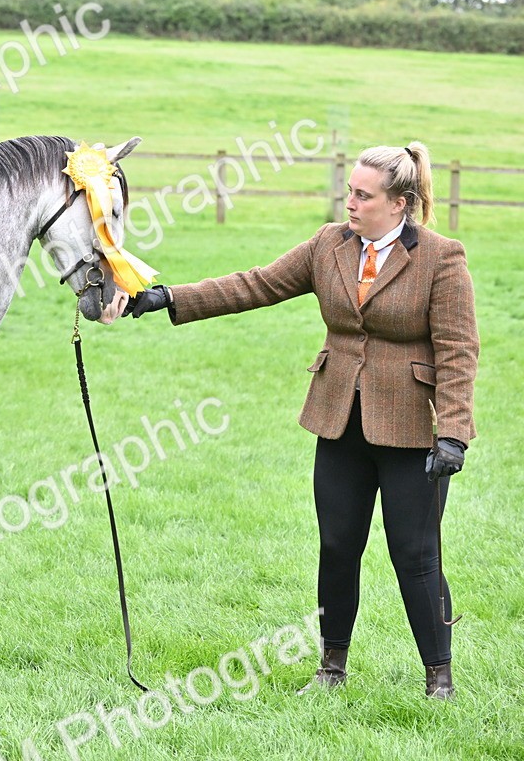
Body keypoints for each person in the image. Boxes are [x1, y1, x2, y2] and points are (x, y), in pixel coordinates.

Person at [129, 142, 478, 699]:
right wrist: (170, 298)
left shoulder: (441, 257)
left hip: (414, 431)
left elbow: (459, 350)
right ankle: (331, 668)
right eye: (350, 193)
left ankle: (439, 677)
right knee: (338, 546)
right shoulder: (328, 245)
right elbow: (256, 284)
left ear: (401, 203)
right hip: (338, 422)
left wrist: (454, 433)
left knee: (415, 556)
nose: (352, 204)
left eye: (364, 196)